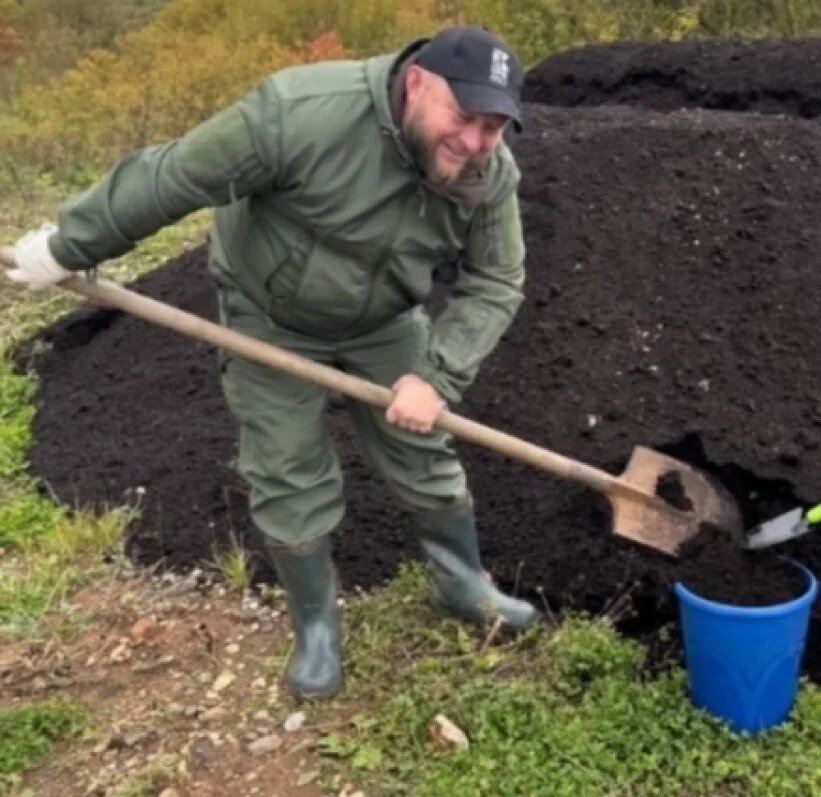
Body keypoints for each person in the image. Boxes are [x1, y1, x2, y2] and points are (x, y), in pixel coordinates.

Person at [5, 25, 540, 700]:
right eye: (463, 117)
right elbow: (176, 176)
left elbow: (496, 280)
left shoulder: (490, 173)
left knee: (424, 452)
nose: (474, 141)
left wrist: (436, 377)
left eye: (494, 126)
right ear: (416, 84)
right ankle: (316, 626)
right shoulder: (301, 113)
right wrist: (69, 246)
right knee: (287, 468)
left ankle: (462, 582)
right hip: (271, 314)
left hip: (384, 320)